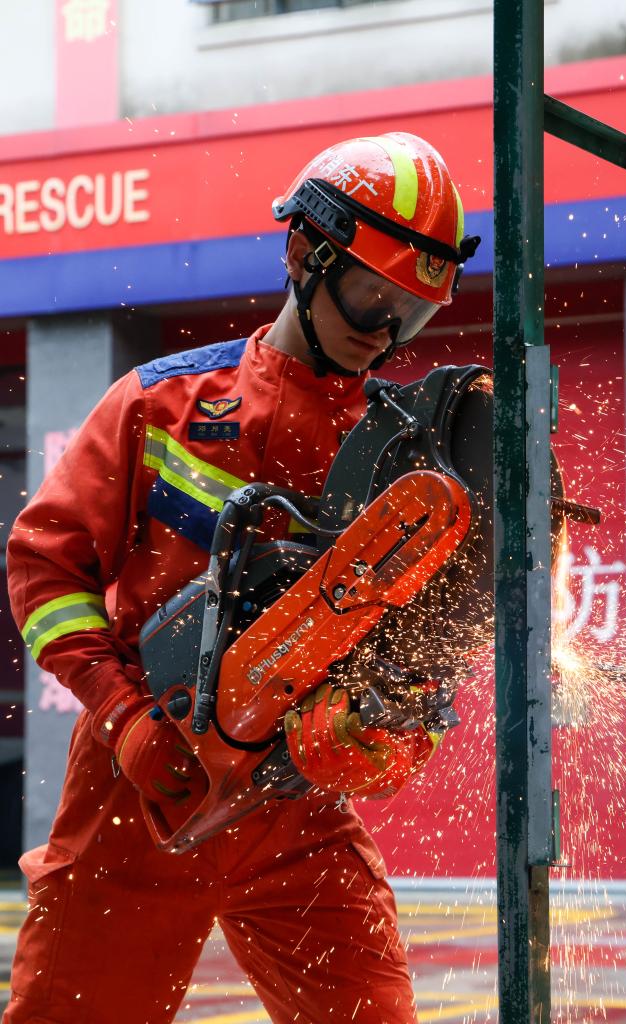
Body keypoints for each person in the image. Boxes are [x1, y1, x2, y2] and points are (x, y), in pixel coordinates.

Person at [4, 132, 477, 1024]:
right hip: (139, 790)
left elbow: (419, 649)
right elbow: (44, 563)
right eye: (371, 295)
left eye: (410, 314)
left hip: (298, 812)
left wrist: (389, 730)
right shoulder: (160, 404)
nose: (383, 331)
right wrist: (124, 719)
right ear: (303, 252)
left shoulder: (403, 459)